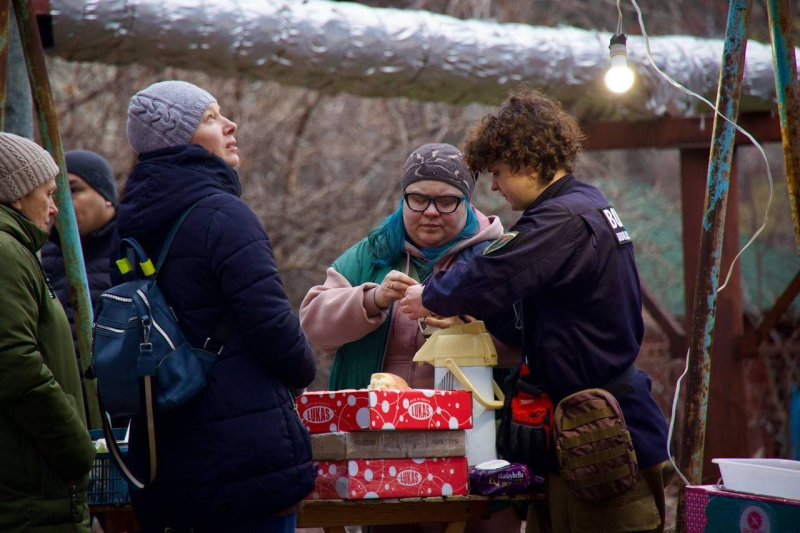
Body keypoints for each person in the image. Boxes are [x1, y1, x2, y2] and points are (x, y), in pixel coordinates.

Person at [399, 90, 673, 533]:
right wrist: (472, 320)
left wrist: (430, 295)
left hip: (601, 437)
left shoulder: (562, 219)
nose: (493, 185)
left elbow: (495, 272)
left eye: (498, 172)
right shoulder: (583, 206)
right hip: (576, 435)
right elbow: (536, 310)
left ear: (526, 161)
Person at [117, 80, 316, 532]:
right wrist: (302, 372)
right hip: (244, 460)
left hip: (164, 456)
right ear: (177, 138)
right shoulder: (223, 214)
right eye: (210, 118)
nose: (231, 125)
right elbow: (272, 325)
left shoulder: (130, 223)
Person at [300, 143, 521, 533]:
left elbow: (525, 342)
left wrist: (465, 324)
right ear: (402, 198)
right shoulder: (370, 254)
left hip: (479, 453)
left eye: (447, 201)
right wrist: (372, 299)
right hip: (380, 459)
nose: (430, 211)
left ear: (467, 204)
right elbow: (313, 326)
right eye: (418, 199)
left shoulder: (497, 257)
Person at [0, 132, 96, 531]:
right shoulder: (6, 253)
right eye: (48, 193)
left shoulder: (17, 250)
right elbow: (14, 362)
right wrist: (76, 448)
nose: (55, 207)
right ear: (18, 195)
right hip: (29, 490)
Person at [42, 150, 117, 364]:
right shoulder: (39, 253)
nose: (60, 203)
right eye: (52, 193)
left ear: (107, 198)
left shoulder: (132, 251)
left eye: (74, 190)